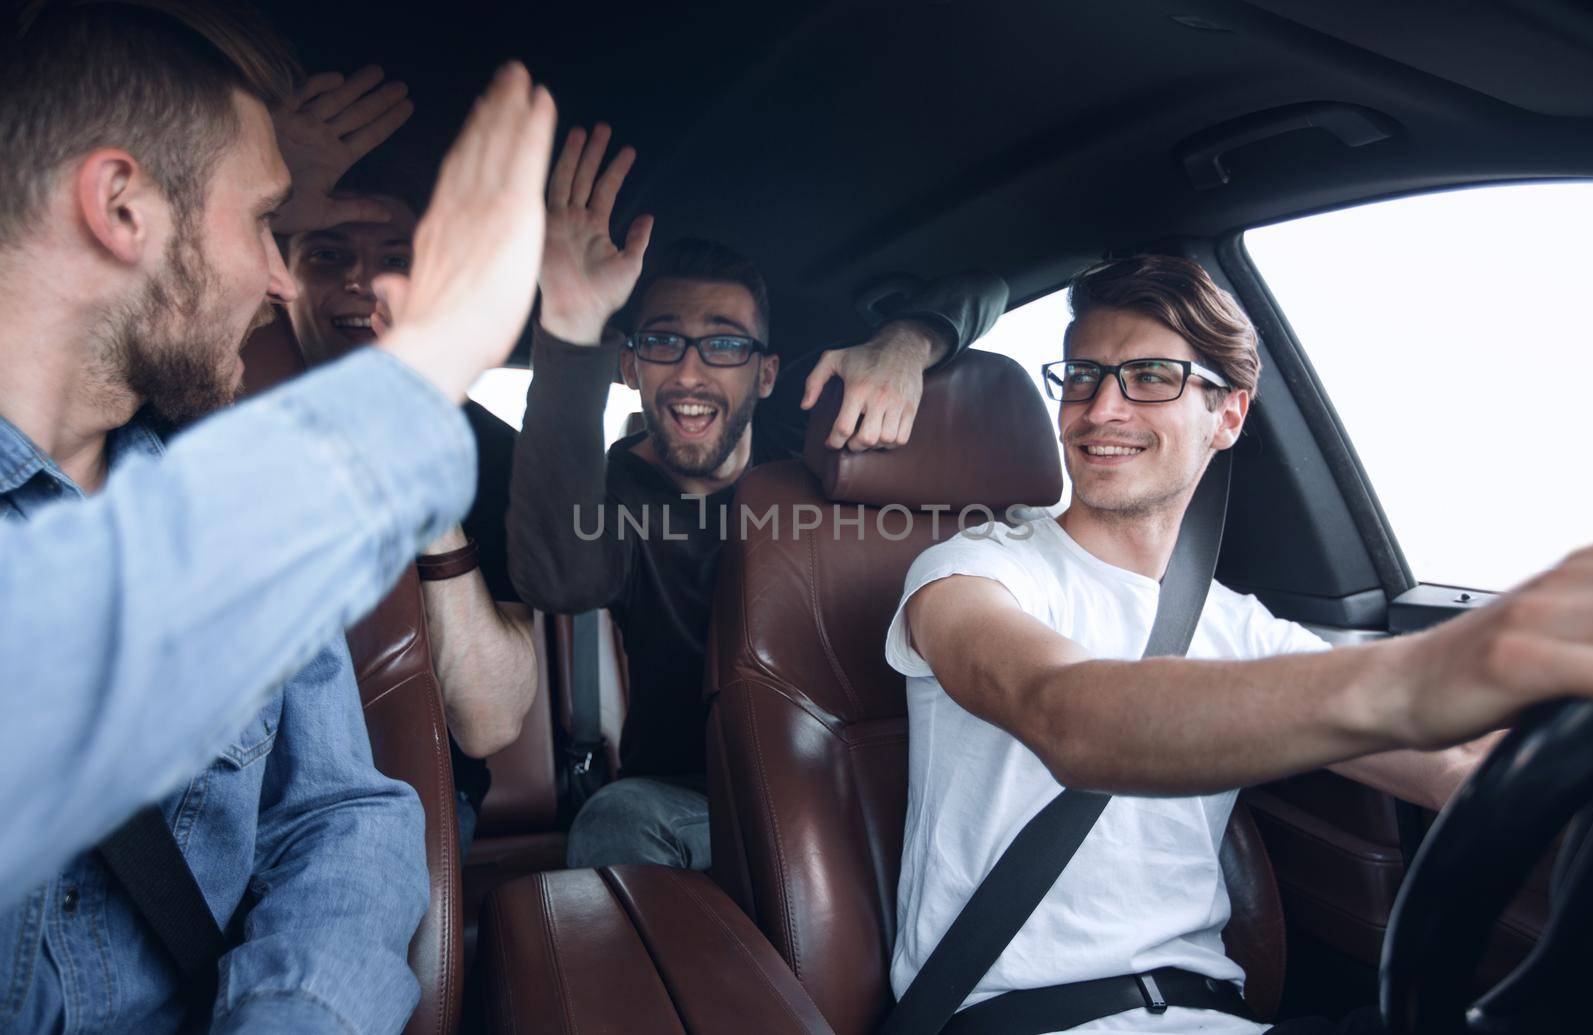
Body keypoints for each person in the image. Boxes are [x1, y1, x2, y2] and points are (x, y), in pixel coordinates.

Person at [0, 3, 559, 1030]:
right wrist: (417, 375)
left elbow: (345, 816)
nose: (274, 273)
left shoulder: (202, 476)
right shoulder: (244, 493)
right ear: (121, 205)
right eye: (271, 224)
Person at [886, 254, 1593, 1034]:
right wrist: (1430, 673)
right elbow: (1068, 717)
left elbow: (1463, 768)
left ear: (1227, 416)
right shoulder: (970, 571)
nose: (1100, 410)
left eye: (1151, 376)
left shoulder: (1237, 625)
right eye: (1084, 375)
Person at [506, 124, 1009, 870]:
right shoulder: (613, 492)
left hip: (856, 780)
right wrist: (570, 330)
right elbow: (559, 579)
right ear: (629, 366)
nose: (690, 371)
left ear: (766, 374)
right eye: (663, 342)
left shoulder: (814, 448)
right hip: (694, 799)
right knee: (617, 819)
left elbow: (987, 285)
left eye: (726, 344)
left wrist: (906, 346)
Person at [281, 169, 541, 853]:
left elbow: (488, 721)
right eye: (330, 255)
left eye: (396, 260)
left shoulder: (494, 452)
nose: (365, 284)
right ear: (280, 276)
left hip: (408, 799)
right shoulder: (213, 410)